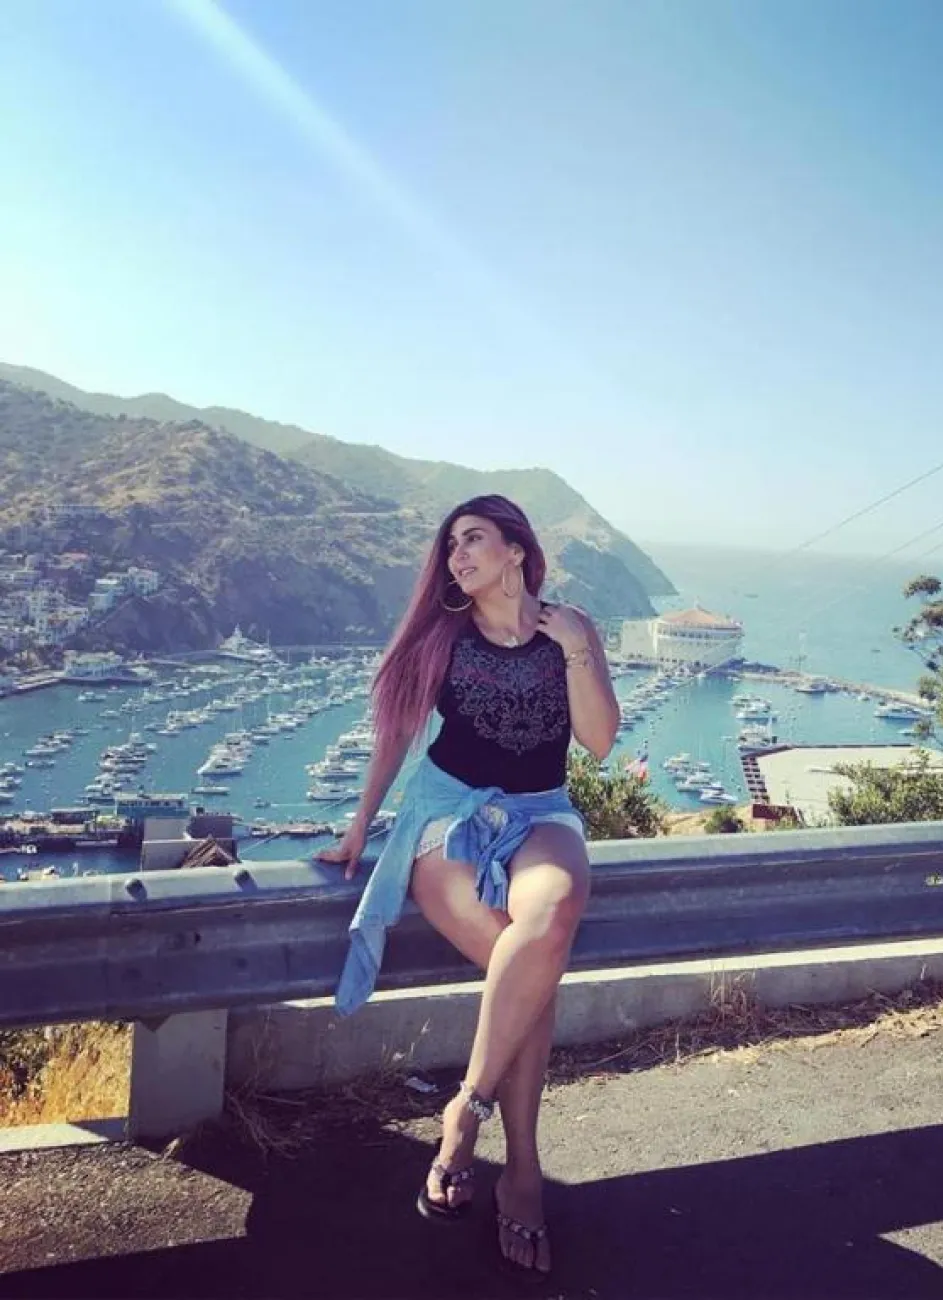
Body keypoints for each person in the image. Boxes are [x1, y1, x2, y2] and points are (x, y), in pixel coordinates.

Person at [317, 494, 620, 1275]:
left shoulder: (572, 629)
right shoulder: (442, 636)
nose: (457, 555)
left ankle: (465, 1109)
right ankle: (523, 1172)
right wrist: (360, 825)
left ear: (516, 550)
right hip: (446, 814)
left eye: (474, 539)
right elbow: (395, 735)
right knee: (530, 980)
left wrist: (576, 648)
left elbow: (599, 742)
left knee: (551, 915)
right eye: (451, 544)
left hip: (542, 809)